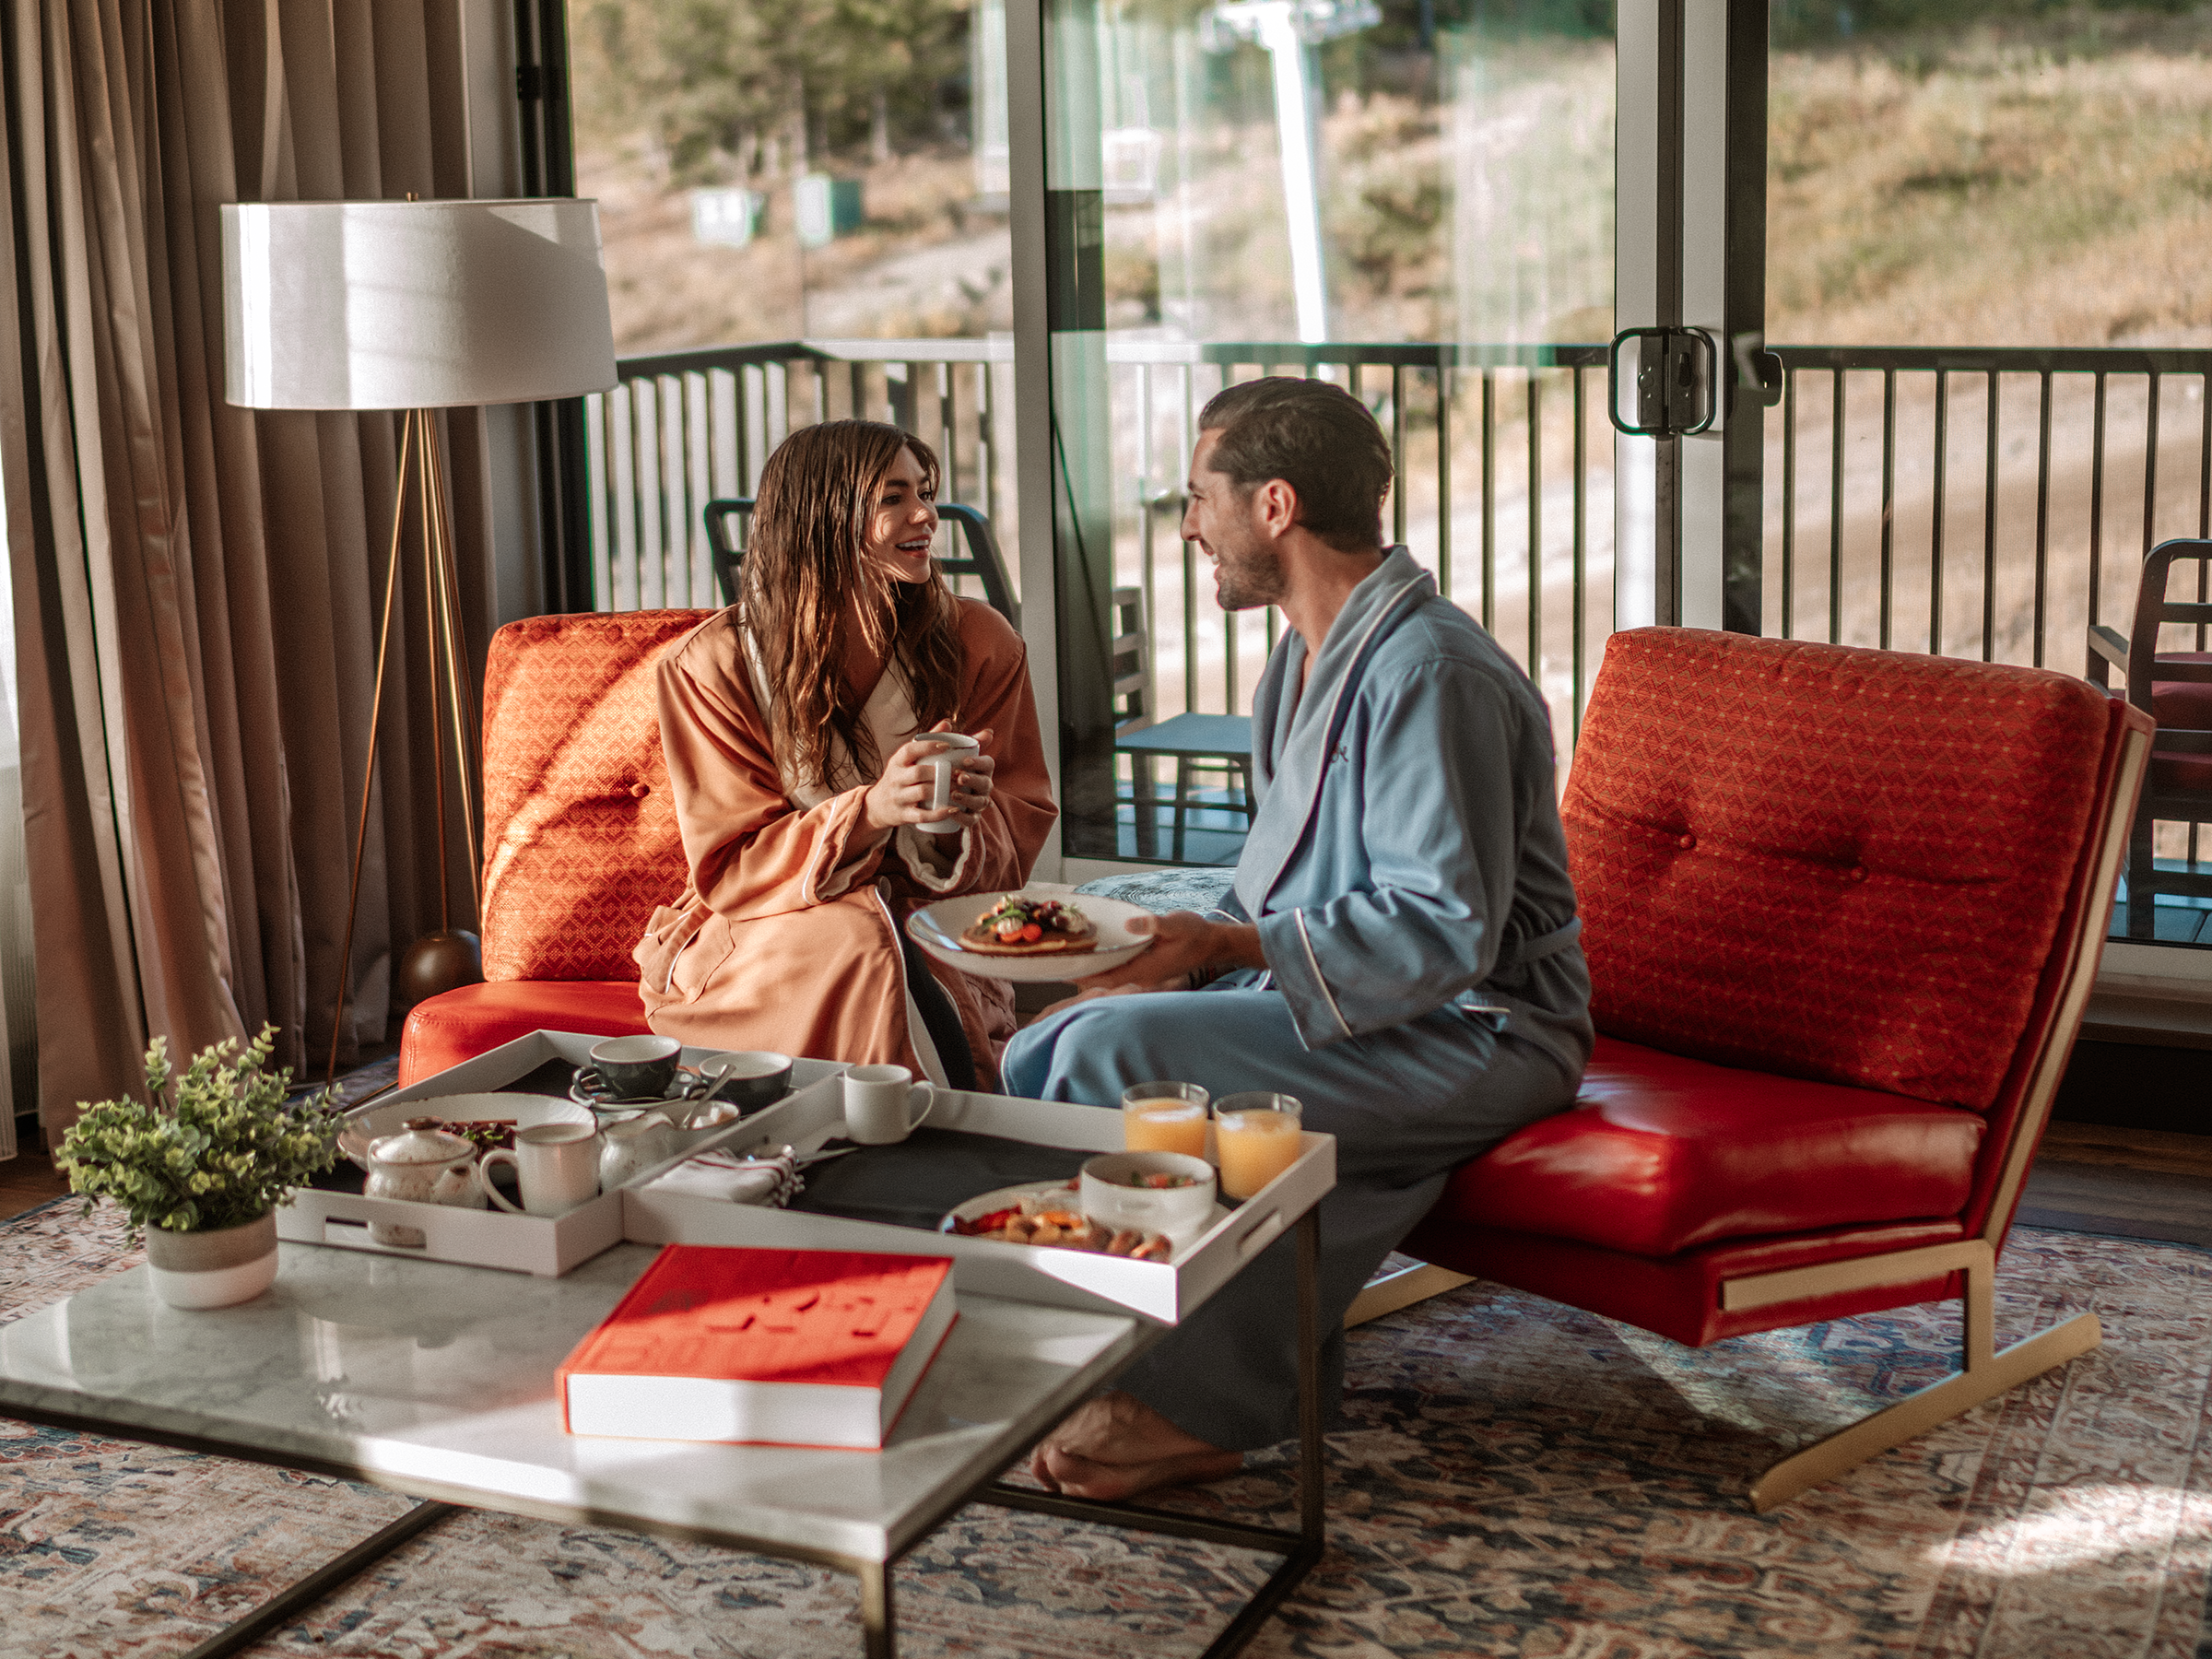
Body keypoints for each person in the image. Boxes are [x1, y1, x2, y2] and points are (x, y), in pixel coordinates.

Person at [1006, 376, 1593, 1500]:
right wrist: (1154, 939)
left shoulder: (1429, 673)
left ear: (1274, 505)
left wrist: (1223, 956)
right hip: (1364, 999)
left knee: (1108, 1054)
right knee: (1057, 1009)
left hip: (1479, 1029)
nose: (1186, 527)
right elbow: (1275, 884)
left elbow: (1444, 927)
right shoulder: (1306, 655)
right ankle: (1115, 1352)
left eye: (1198, 498)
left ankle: (1182, 1402)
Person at [634, 419, 1055, 1090]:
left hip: (926, 915)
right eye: (892, 498)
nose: (926, 515)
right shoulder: (711, 666)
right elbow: (731, 865)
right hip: (768, 928)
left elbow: (1022, 815)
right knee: (860, 942)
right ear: (820, 517)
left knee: (892, 948)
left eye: (924, 491)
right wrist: (874, 810)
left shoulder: (979, 641)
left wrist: (948, 823)